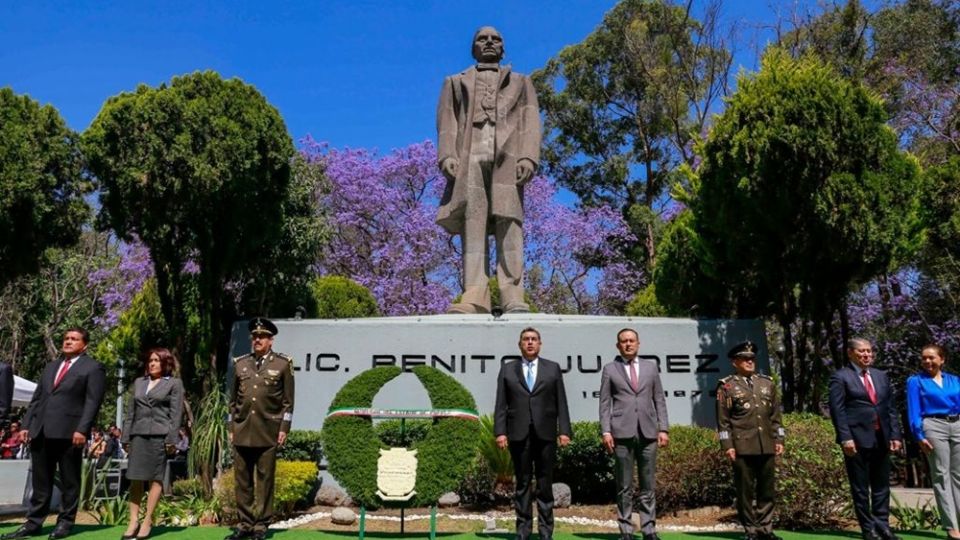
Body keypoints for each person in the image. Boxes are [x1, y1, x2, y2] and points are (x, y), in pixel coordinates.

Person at [435, 26, 541, 314]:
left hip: (508, 157)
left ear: (503, 48)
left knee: (510, 222)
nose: (490, 42)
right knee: (474, 222)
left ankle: (511, 293)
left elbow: (531, 121)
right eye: (483, 39)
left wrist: (528, 158)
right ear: (473, 47)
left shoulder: (521, 82)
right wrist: (447, 155)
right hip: (471, 155)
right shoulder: (455, 82)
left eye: (497, 39)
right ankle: (475, 292)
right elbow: (448, 122)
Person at [2, 328, 106, 540]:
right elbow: (38, 399)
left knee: (69, 481)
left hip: (70, 433)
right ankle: (33, 523)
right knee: (41, 481)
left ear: (84, 345)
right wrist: (26, 425)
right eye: (66, 338)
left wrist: (82, 429)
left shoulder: (93, 368)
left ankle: (65, 523)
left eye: (74, 339)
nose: (68, 342)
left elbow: (93, 401)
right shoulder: (51, 367)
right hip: (41, 431)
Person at [494, 327, 571, 540]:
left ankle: (546, 532)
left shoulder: (552, 369)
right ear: (520, 344)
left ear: (540, 344)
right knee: (522, 484)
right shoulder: (508, 370)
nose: (530, 343)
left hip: (545, 434)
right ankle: (523, 532)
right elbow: (501, 403)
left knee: (545, 484)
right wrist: (500, 432)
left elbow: (561, 402)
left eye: (534, 339)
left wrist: (564, 430)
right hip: (518, 434)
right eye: (526, 339)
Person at [225, 318, 295, 540]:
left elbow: (288, 402)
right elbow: (232, 401)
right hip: (242, 429)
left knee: (265, 480)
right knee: (242, 481)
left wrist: (284, 428)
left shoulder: (282, 364)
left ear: (270, 341)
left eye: (262, 337)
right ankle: (245, 524)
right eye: (254, 336)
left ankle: (261, 525)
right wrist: (231, 426)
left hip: (268, 431)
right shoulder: (240, 364)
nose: (257, 340)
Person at [828, 338, 903, 540]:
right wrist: (845, 438)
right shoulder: (840, 377)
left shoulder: (881, 376)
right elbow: (838, 411)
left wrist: (895, 434)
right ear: (850, 353)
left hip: (882, 437)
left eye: (869, 351)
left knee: (882, 486)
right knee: (860, 488)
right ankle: (868, 529)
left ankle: (883, 526)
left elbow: (890, 408)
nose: (867, 355)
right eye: (862, 351)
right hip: (856, 440)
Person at [598, 328, 669, 540]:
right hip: (621, 432)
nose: (628, 344)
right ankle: (626, 530)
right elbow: (604, 403)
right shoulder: (610, 369)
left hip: (648, 433)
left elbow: (659, 400)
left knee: (648, 485)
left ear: (638, 343)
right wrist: (606, 431)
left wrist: (663, 428)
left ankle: (649, 529)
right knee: (624, 486)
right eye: (624, 341)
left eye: (631, 340)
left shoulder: (650, 367)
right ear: (618, 346)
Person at [716, 341, 785, 540]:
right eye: (745, 359)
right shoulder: (727, 386)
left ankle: (766, 528)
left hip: (766, 444)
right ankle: (751, 530)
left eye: (752, 358)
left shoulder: (767, 383)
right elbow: (723, 421)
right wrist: (727, 445)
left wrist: (779, 438)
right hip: (742, 446)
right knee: (745, 491)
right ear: (735, 362)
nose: (749, 361)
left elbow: (775, 416)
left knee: (767, 490)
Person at [120, 348, 185, 540]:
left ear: (166, 363)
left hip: (159, 436)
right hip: (138, 435)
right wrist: (125, 437)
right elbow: (130, 413)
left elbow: (176, 413)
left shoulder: (174, 383)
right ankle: (133, 521)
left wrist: (171, 439)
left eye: (156, 360)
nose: (152, 364)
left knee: (155, 478)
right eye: (150, 360)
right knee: (135, 478)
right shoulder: (140, 383)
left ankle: (148, 520)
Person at [905, 344, 960, 539]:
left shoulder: (955, 380)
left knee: (958, 476)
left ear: (942, 359)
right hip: (933, 426)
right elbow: (913, 410)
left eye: (931, 358)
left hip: (957, 425)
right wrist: (919, 436)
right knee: (941, 475)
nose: (927, 361)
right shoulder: (915, 381)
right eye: (924, 358)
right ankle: (951, 526)